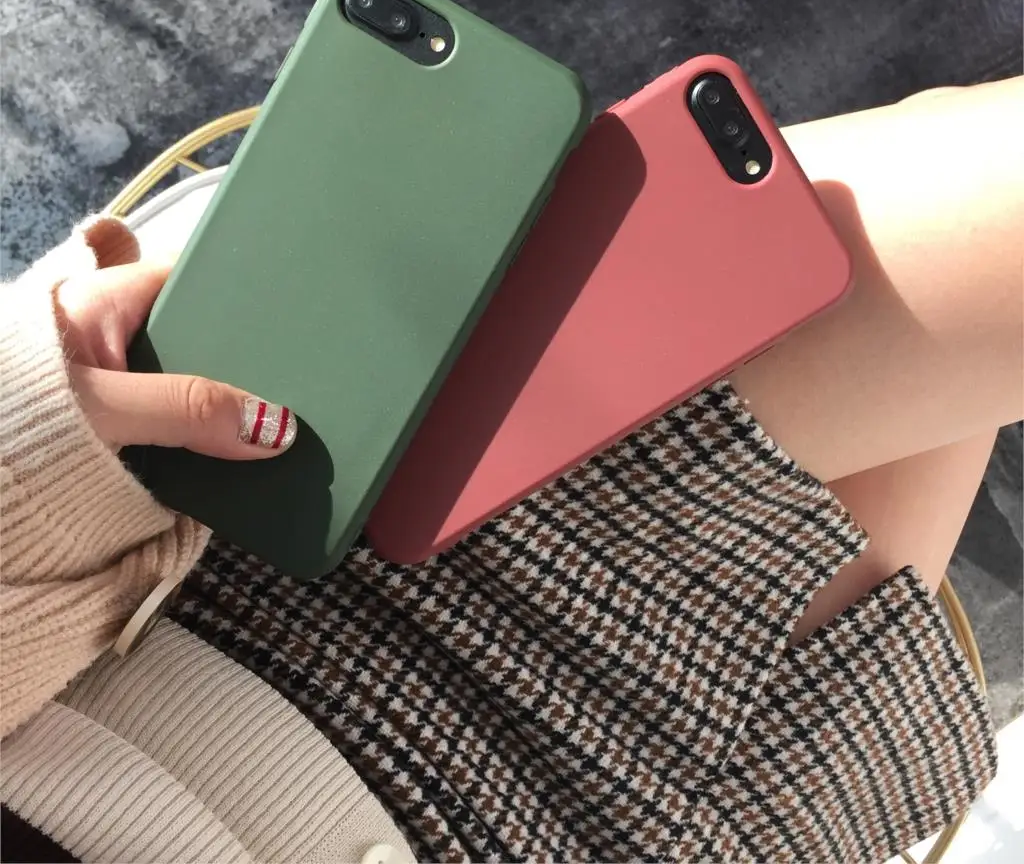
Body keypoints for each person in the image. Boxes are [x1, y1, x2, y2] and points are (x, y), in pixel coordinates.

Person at [2, 78, 1021, 863]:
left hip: (251, 572)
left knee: (964, 191)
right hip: (611, 836)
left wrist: (29, 443)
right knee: (957, 345)